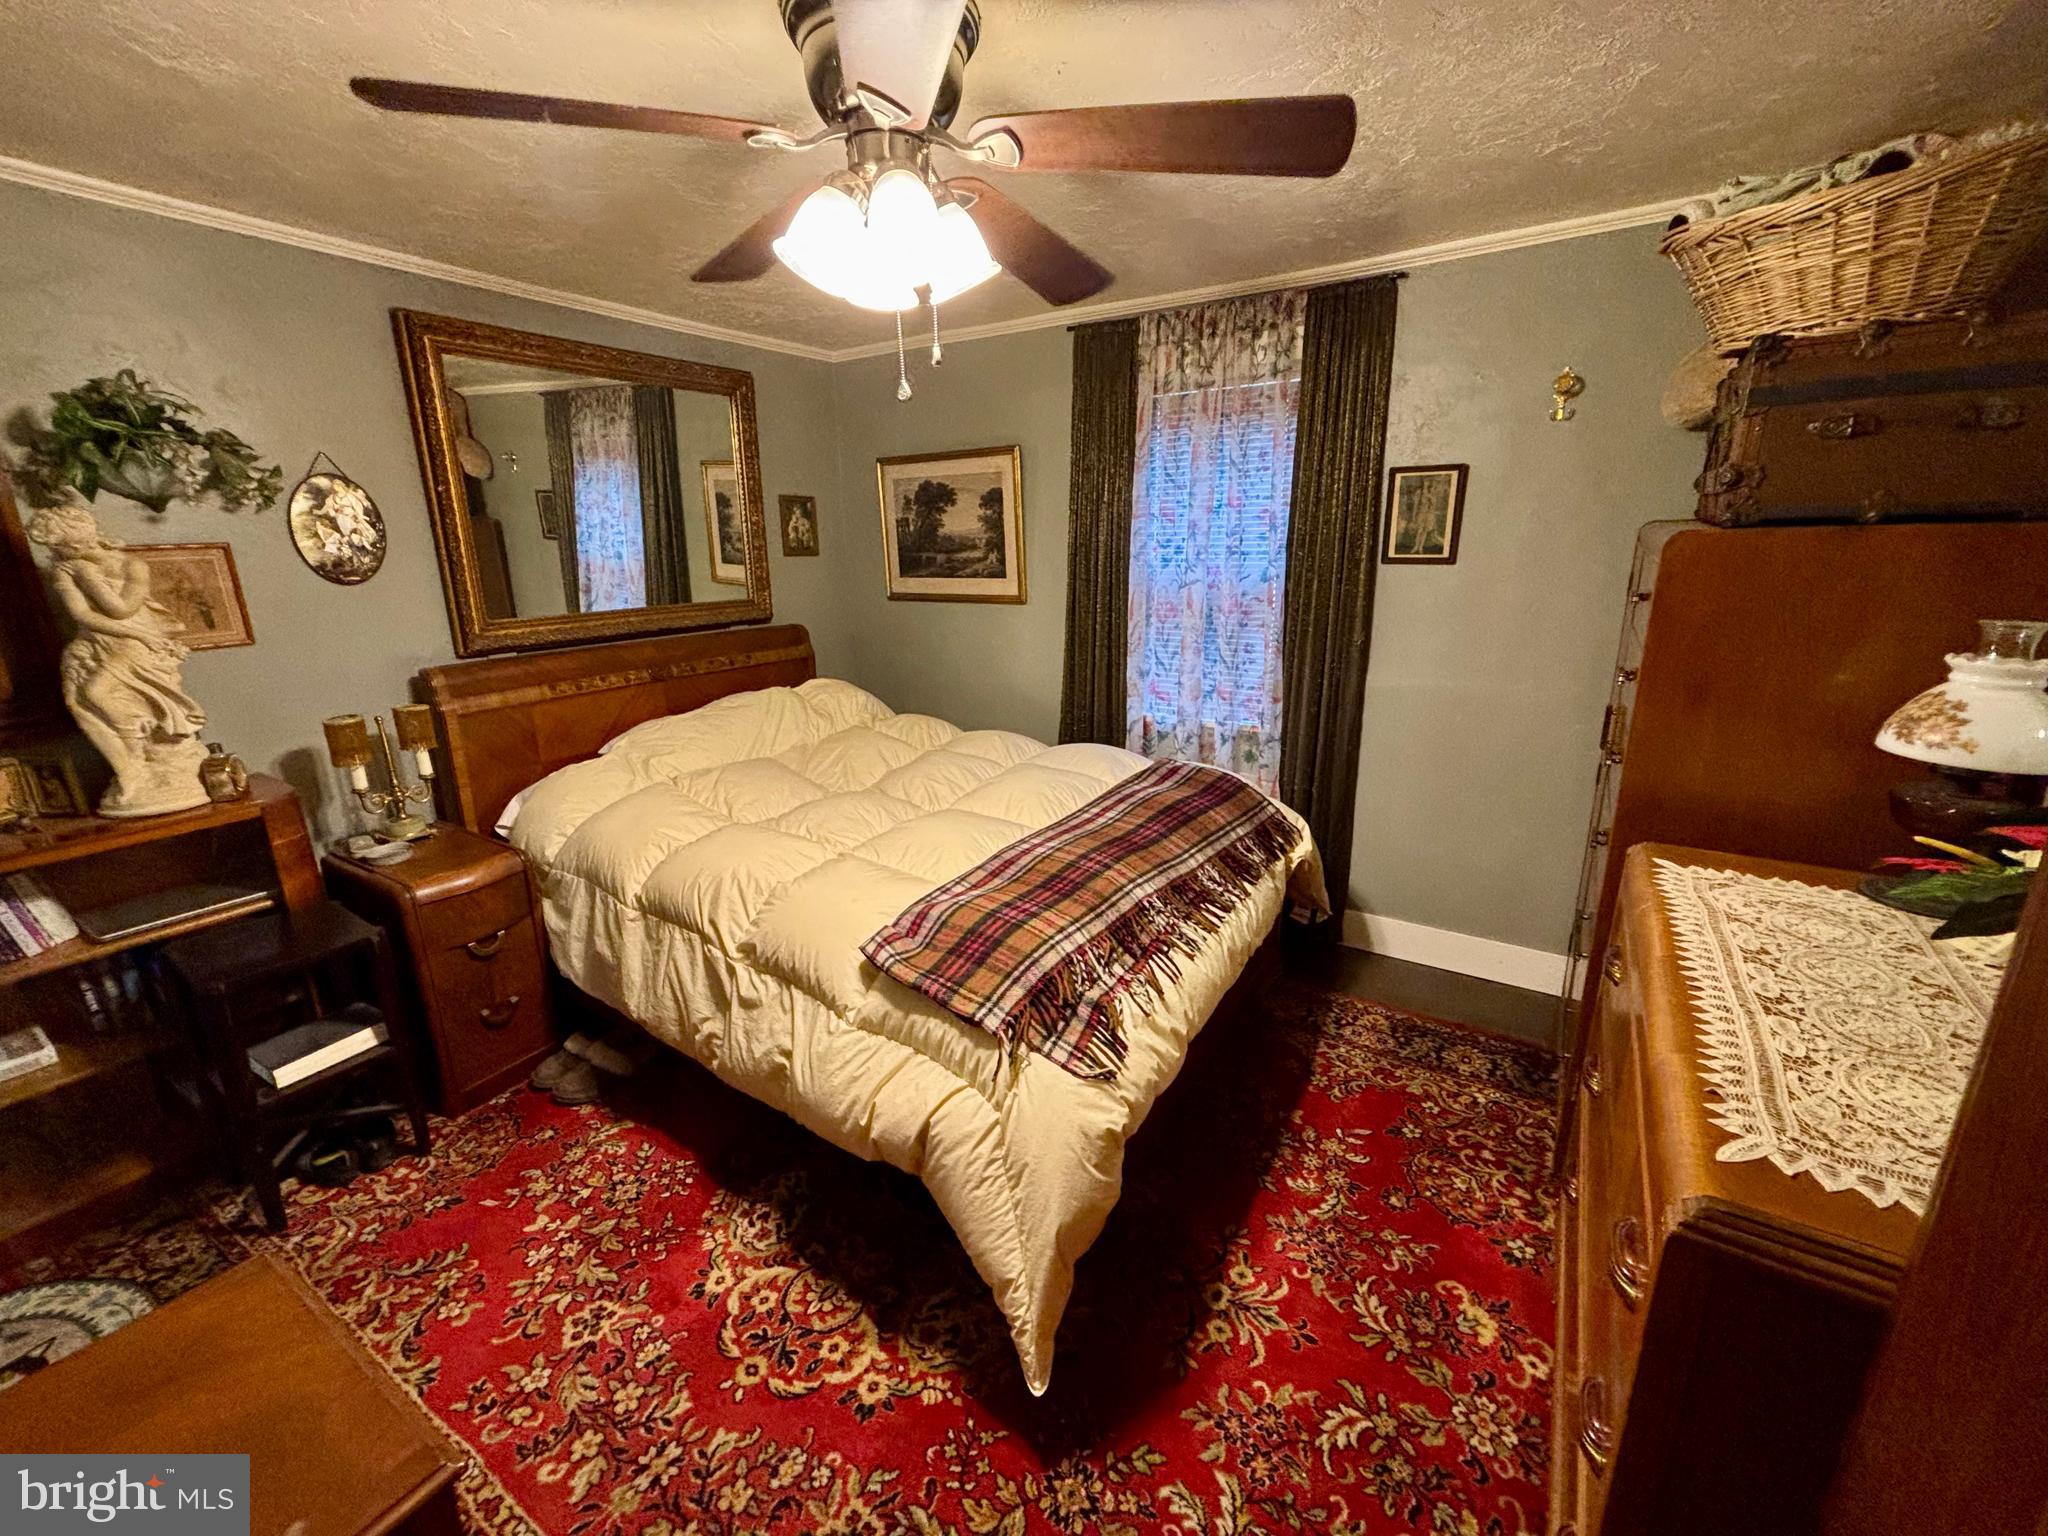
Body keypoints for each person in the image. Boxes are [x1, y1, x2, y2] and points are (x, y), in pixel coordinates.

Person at [26, 500, 209, 816]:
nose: (70, 551)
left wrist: (86, 574)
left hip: (132, 641)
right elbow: (80, 614)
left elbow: (120, 609)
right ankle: (132, 763)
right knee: (79, 700)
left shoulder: (130, 566)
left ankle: (138, 738)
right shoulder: (65, 570)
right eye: (62, 547)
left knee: (97, 692)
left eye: (73, 543)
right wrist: (76, 573)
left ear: (87, 533)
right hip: (98, 642)